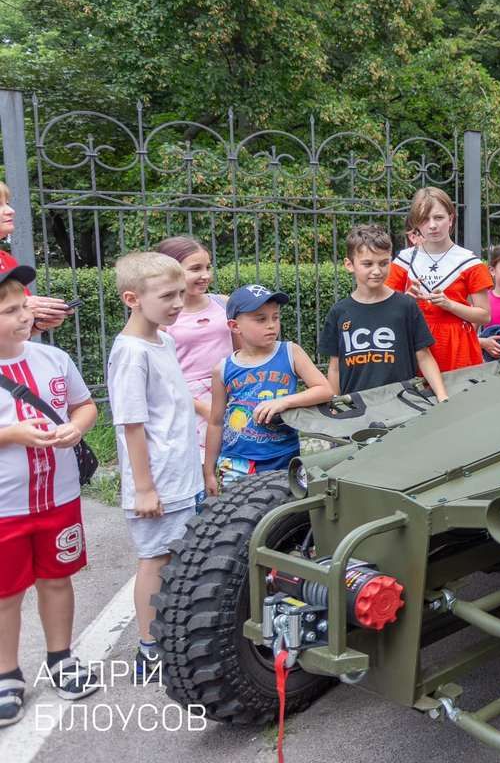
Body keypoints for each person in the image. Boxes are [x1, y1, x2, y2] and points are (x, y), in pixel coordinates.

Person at [0, 265, 101, 726]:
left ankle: (61, 657)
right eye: (10, 311)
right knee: (6, 593)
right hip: (6, 508)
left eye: (25, 306)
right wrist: (11, 433)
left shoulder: (53, 359)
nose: (25, 317)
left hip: (59, 499)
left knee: (57, 580)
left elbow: (84, 405)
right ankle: (7, 675)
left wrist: (76, 428)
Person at [106, 252, 204, 680]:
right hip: (158, 481)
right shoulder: (130, 353)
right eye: (167, 295)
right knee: (154, 559)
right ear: (132, 298)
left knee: (179, 557)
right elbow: (132, 425)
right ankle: (148, 647)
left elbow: (176, 400)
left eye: (181, 293)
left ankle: (170, 633)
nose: (178, 303)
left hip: (183, 470)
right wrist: (144, 488)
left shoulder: (162, 340)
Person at [205, 285, 333, 489]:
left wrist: (284, 402)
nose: (271, 325)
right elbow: (216, 422)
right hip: (237, 462)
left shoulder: (290, 352)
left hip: (284, 457)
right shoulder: (223, 369)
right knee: (239, 518)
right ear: (235, 326)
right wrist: (209, 472)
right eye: (261, 319)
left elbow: (324, 390)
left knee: (283, 517)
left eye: (275, 317)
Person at [320, 224, 447, 398]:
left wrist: (442, 396)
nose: (377, 271)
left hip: (402, 404)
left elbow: (424, 357)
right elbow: (335, 367)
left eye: (383, 263)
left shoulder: (406, 306)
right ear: (349, 265)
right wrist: (335, 404)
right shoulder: (339, 312)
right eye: (367, 264)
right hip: (356, 409)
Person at [386, 187, 492, 372]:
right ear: (416, 224)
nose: (432, 225)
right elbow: (384, 308)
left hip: (457, 348)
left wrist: (449, 305)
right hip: (415, 343)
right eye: (424, 219)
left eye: (439, 217)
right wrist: (406, 300)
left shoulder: (469, 262)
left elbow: (484, 315)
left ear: (451, 219)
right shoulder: (404, 260)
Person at [156, 236, 232, 454]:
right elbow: (163, 378)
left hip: (229, 392)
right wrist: (203, 408)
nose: (205, 275)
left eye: (208, 267)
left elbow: (241, 353)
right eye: (195, 268)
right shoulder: (162, 317)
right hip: (187, 401)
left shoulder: (223, 303)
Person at [0, 181, 71, 334]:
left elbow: (12, 332)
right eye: (0, 205)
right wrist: (19, 308)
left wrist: (37, 324)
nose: (10, 210)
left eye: (6, 203)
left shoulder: (7, 259)